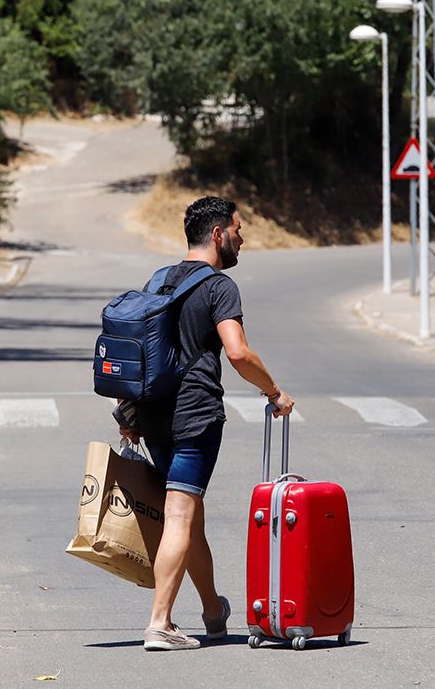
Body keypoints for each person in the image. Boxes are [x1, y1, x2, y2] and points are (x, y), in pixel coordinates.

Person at [120, 196, 295, 651]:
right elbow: (237, 353)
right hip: (195, 416)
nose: (243, 239)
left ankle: (213, 612)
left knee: (189, 517)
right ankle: (160, 623)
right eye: (238, 229)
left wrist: (128, 413)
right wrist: (274, 392)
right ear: (218, 234)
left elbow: (136, 349)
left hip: (154, 417)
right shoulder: (218, 287)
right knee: (180, 514)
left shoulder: (159, 281)